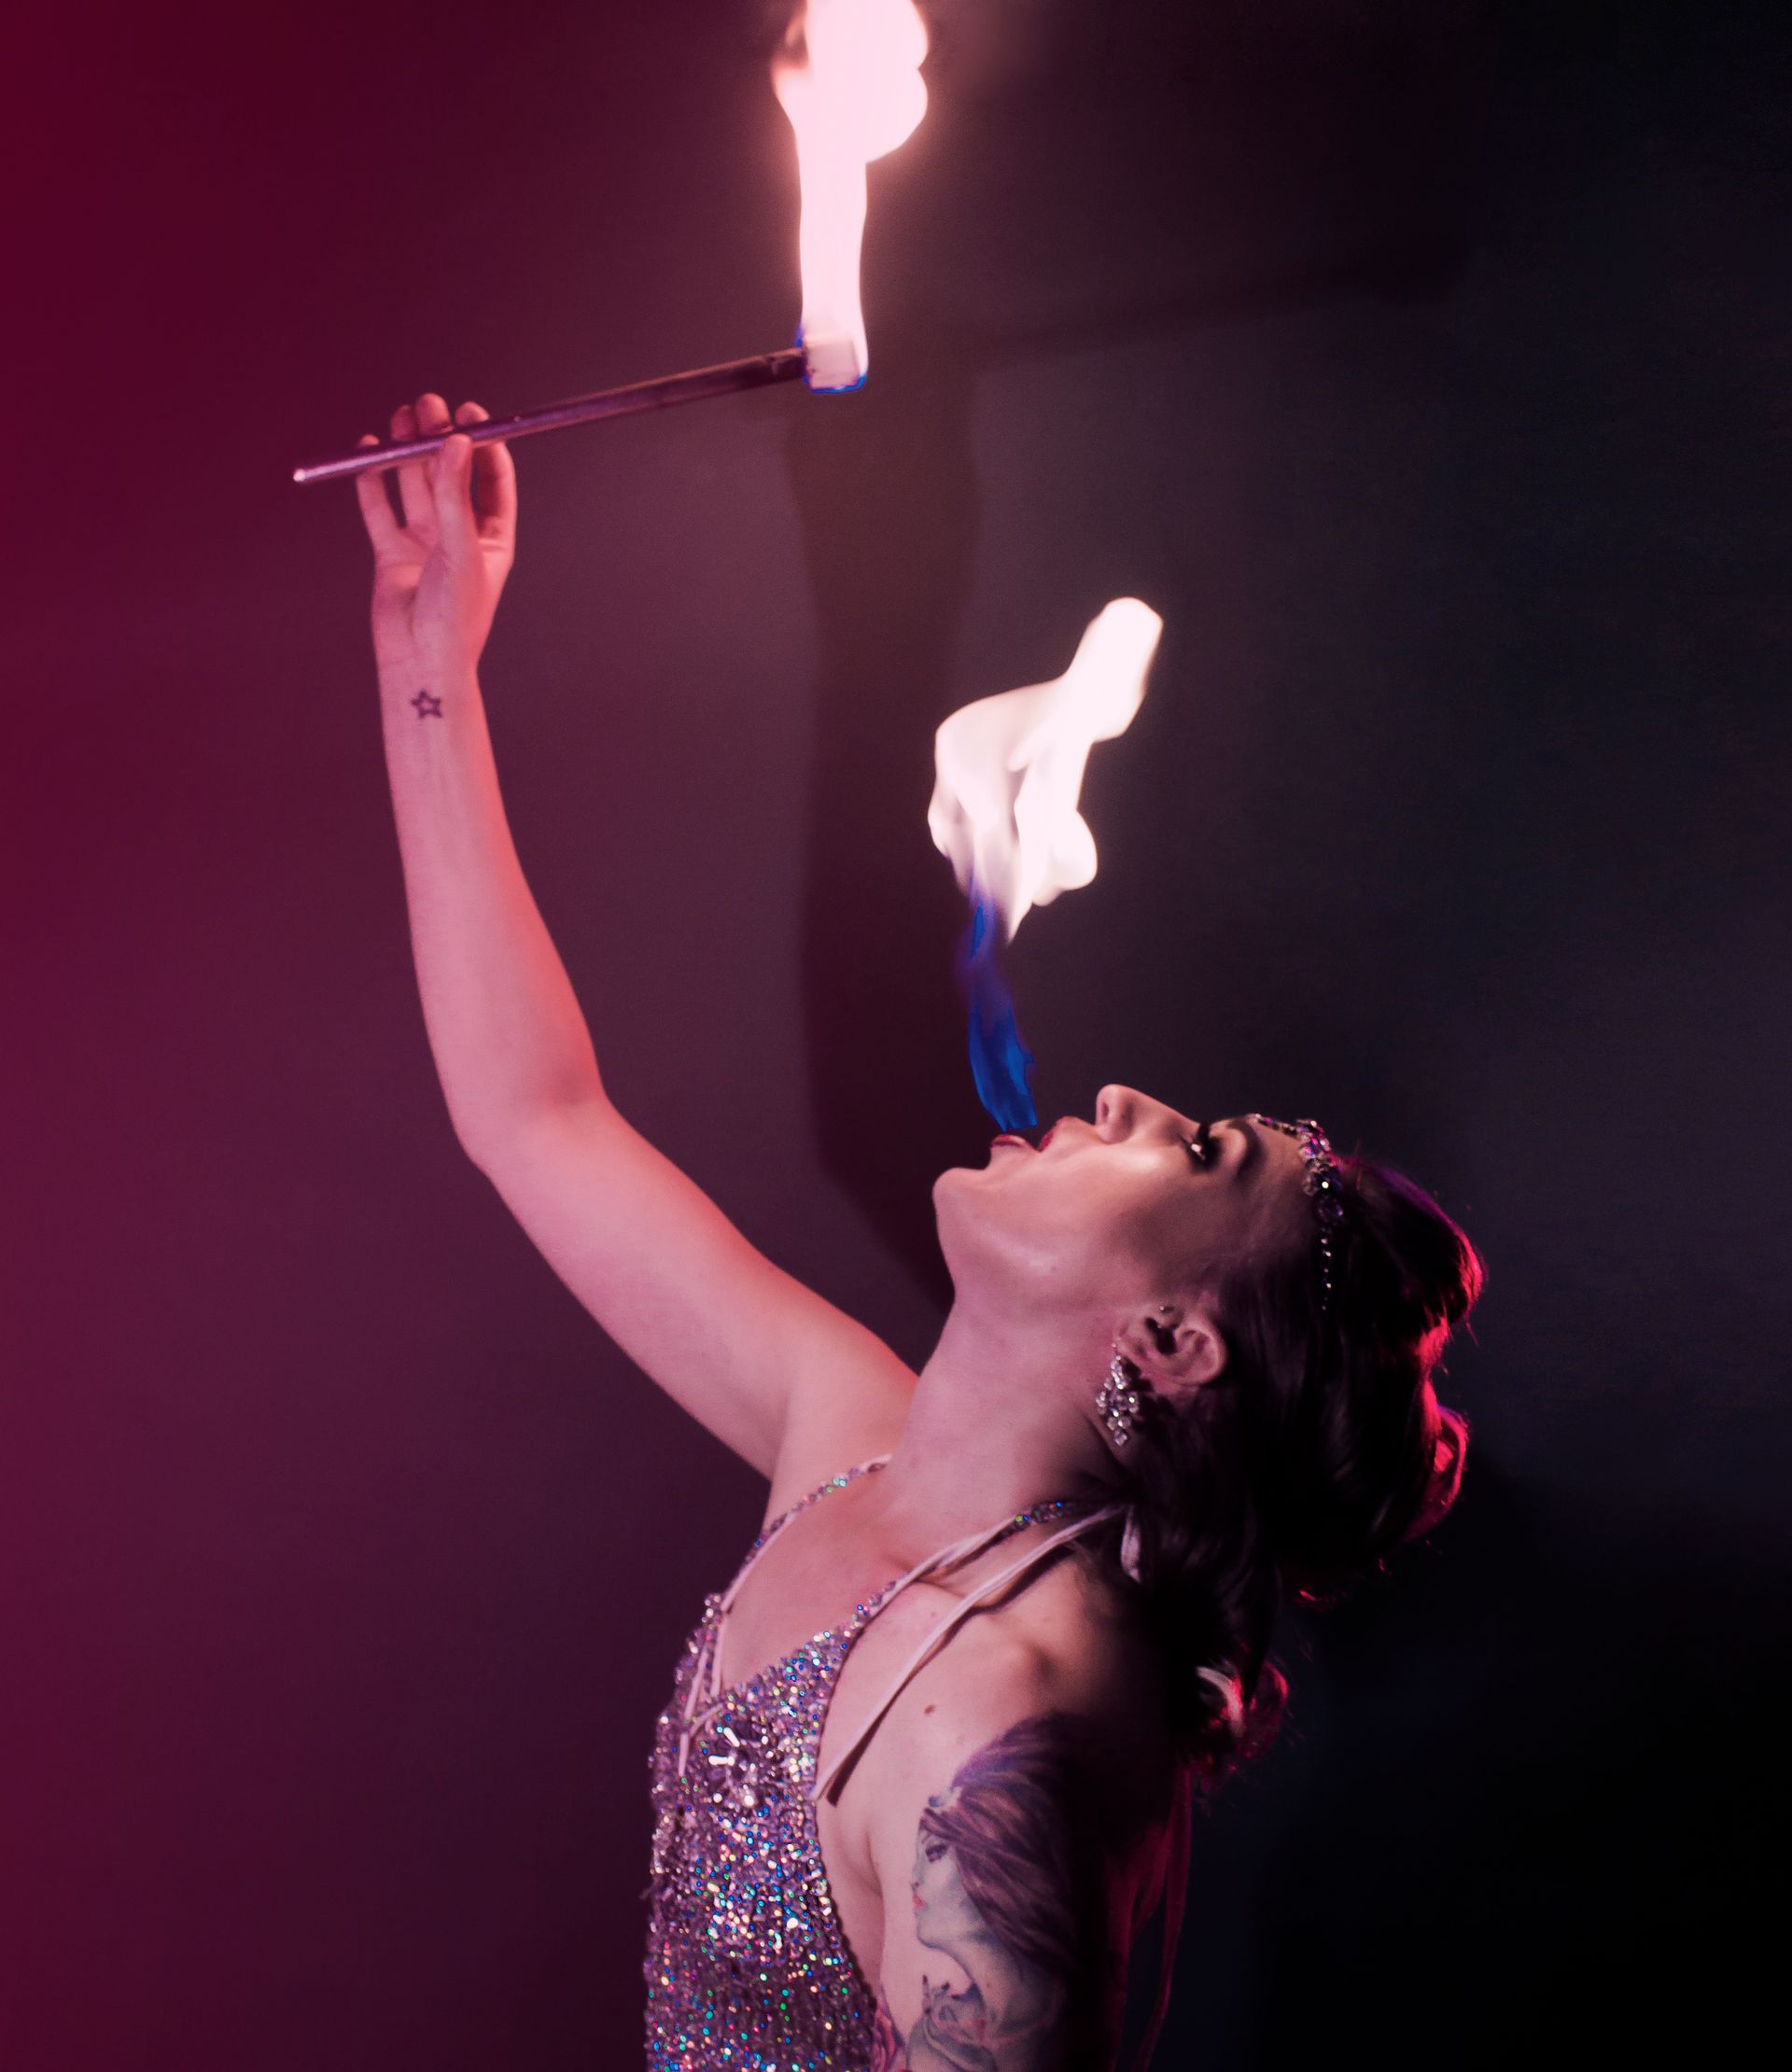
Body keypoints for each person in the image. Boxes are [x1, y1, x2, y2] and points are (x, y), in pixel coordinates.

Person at [353, 394, 1483, 2072]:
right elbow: (538, 1119)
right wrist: (429, 656)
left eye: (1190, 1153)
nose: (1120, 1097)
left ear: (1169, 1344)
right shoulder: (853, 1435)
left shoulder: (1012, 1728)